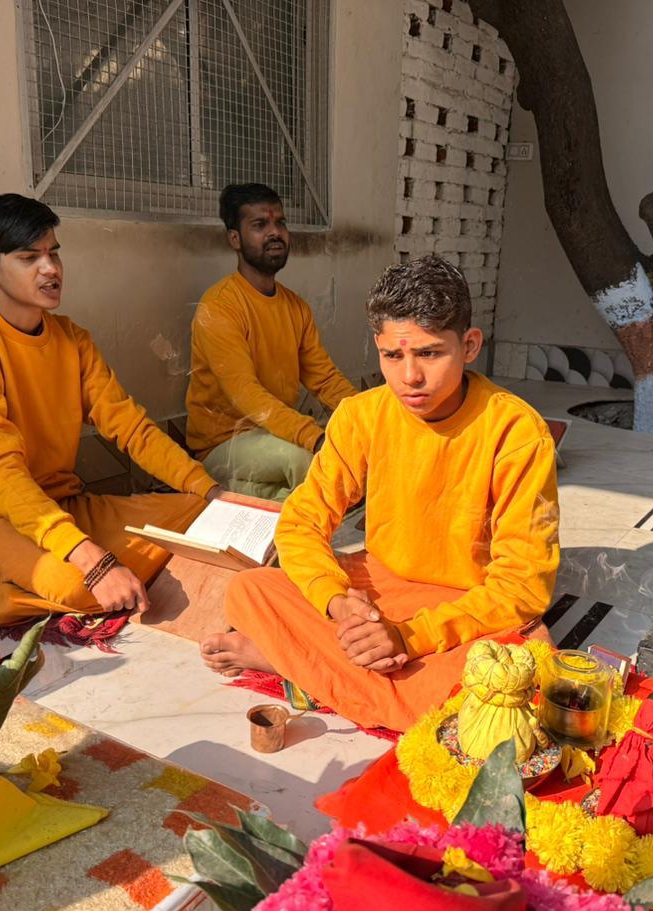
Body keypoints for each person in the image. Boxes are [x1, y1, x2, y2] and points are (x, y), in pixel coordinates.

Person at [201, 255, 560, 731]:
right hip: (377, 591)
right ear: (378, 348)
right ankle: (335, 671)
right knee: (249, 590)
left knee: (522, 674)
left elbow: (522, 587)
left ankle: (294, 662)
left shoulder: (516, 431)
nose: (410, 377)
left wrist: (409, 637)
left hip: (466, 607)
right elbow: (302, 522)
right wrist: (339, 603)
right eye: (393, 356)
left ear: (469, 345)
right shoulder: (360, 415)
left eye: (429, 354)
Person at [0, 193, 221, 628]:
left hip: (61, 503)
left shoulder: (73, 340)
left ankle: (46, 571)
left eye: (54, 253)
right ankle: (0, 596)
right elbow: (0, 473)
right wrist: (92, 561)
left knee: (201, 521)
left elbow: (131, 427)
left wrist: (211, 492)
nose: (50, 269)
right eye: (29, 258)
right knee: (84, 586)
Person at [185, 183, 357, 501]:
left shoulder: (296, 307)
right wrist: (314, 438)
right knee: (308, 460)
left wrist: (367, 417)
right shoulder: (219, 307)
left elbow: (325, 379)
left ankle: (250, 499)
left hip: (273, 435)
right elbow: (247, 395)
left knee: (342, 454)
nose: (275, 232)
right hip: (224, 445)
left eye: (280, 222)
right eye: (259, 225)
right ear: (235, 239)